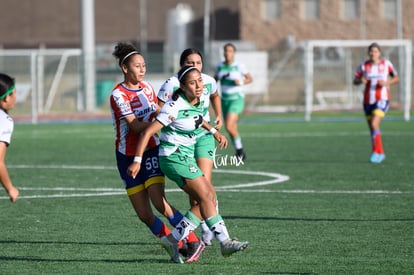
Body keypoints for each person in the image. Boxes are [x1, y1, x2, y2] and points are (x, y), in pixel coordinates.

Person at [128, 66, 249, 264]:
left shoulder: (198, 99)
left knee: (207, 199)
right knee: (206, 196)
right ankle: (225, 242)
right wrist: (137, 161)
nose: (199, 86)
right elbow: (147, 132)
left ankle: (171, 240)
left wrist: (214, 132)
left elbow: (199, 118)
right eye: (192, 83)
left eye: (200, 81)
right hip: (173, 158)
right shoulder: (173, 107)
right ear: (183, 86)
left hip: (185, 157)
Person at [110, 42, 204, 263]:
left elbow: (158, 115)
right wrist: (160, 123)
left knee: (159, 202)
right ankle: (176, 245)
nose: (142, 69)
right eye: (137, 66)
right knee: (144, 215)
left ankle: (190, 240)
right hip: (126, 157)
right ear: (125, 68)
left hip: (151, 150)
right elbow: (134, 126)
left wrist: (164, 121)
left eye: (144, 65)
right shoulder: (118, 94)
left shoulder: (148, 88)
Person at [158, 48, 223, 246]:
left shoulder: (208, 80)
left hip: (203, 135)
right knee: (198, 192)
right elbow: (159, 108)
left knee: (205, 187)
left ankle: (209, 233)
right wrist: (172, 122)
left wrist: (218, 115)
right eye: (189, 62)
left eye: (198, 62)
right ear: (182, 65)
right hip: (181, 142)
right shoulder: (172, 83)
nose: (194, 66)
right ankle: (204, 230)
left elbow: (215, 95)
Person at [353, 42, 399, 163]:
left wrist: (386, 83)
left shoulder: (386, 64)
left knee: (374, 124)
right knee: (372, 128)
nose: (373, 53)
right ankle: (380, 152)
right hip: (368, 100)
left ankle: (375, 153)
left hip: (382, 99)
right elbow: (355, 80)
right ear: (369, 53)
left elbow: (396, 77)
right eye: (371, 51)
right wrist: (360, 80)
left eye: (376, 51)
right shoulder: (363, 66)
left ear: (379, 53)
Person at [214, 43, 252, 161]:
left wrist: (240, 82)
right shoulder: (219, 66)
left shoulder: (239, 66)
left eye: (230, 51)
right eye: (225, 51)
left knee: (229, 126)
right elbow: (214, 80)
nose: (227, 53)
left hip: (236, 100)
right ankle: (239, 152)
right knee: (232, 128)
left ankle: (240, 152)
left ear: (234, 53)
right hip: (224, 100)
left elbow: (250, 78)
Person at [0, 73, 19, 203]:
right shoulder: (4, 120)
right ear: (6, 98)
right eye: (14, 93)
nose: (16, 97)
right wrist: (10, 188)